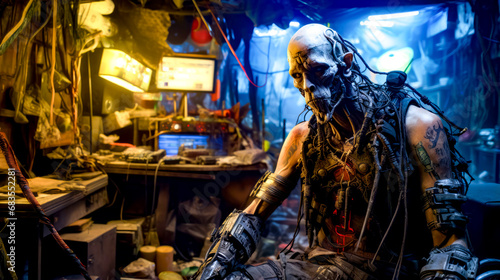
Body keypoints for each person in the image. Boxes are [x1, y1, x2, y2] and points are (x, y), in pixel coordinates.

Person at [192, 24, 477, 280]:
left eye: (318, 71)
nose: (307, 87)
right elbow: (253, 214)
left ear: (346, 63)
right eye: (297, 76)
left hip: (389, 270)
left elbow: (450, 240)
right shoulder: (303, 136)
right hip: (317, 266)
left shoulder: (416, 127)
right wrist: (214, 267)